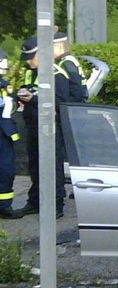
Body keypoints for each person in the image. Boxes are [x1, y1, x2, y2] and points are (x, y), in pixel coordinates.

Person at [17, 35, 71, 218]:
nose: (28, 62)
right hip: (33, 125)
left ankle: (56, 205)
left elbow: (60, 103)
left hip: (50, 127)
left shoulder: (57, 73)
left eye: (31, 57)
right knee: (35, 166)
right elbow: (32, 88)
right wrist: (23, 93)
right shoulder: (31, 71)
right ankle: (35, 202)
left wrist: (33, 99)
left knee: (52, 166)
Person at [0, 48, 22, 219]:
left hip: (4, 136)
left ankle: (4, 207)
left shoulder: (3, 84)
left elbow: (11, 101)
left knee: (6, 170)